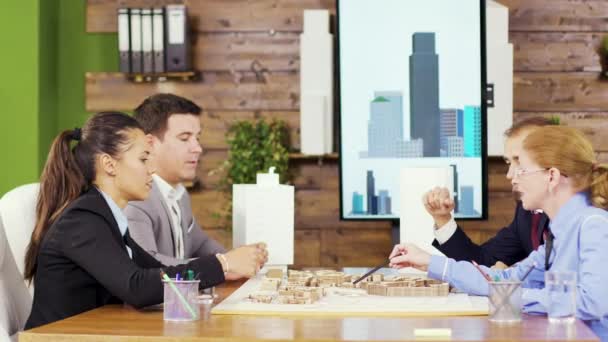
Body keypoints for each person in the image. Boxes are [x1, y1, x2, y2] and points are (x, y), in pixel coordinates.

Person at [24, 112, 267, 329]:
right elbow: (137, 287)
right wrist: (223, 264)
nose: (151, 169)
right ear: (109, 164)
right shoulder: (82, 221)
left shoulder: (105, 217)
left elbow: (154, 272)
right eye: (143, 159)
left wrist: (225, 270)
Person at [389, 126, 608, 340]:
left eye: (523, 170)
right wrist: (429, 262)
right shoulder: (559, 233)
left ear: (551, 177)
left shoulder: (593, 225)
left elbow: (593, 303)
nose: (514, 179)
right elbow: (503, 280)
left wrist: (514, 295)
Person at [423, 117, 556, 267]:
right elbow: (481, 262)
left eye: (520, 161)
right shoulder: (525, 215)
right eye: (509, 162)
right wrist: (443, 219)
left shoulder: (581, 218)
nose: (510, 175)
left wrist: (510, 278)